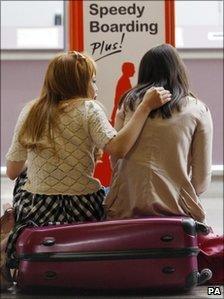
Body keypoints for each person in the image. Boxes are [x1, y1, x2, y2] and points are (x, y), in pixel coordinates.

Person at [2, 50, 171, 289]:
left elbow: (12, 171)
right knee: (107, 192)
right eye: (92, 80)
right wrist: (144, 107)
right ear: (77, 83)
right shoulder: (89, 109)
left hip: (37, 212)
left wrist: (41, 160)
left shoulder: (31, 111)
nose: (96, 87)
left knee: (24, 180)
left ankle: (10, 237)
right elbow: (119, 148)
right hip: (82, 209)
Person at [104, 44, 213, 223]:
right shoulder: (198, 110)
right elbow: (201, 180)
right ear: (179, 72)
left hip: (125, 208)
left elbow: (115, 161)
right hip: (176, 213)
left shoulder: (128, 104)